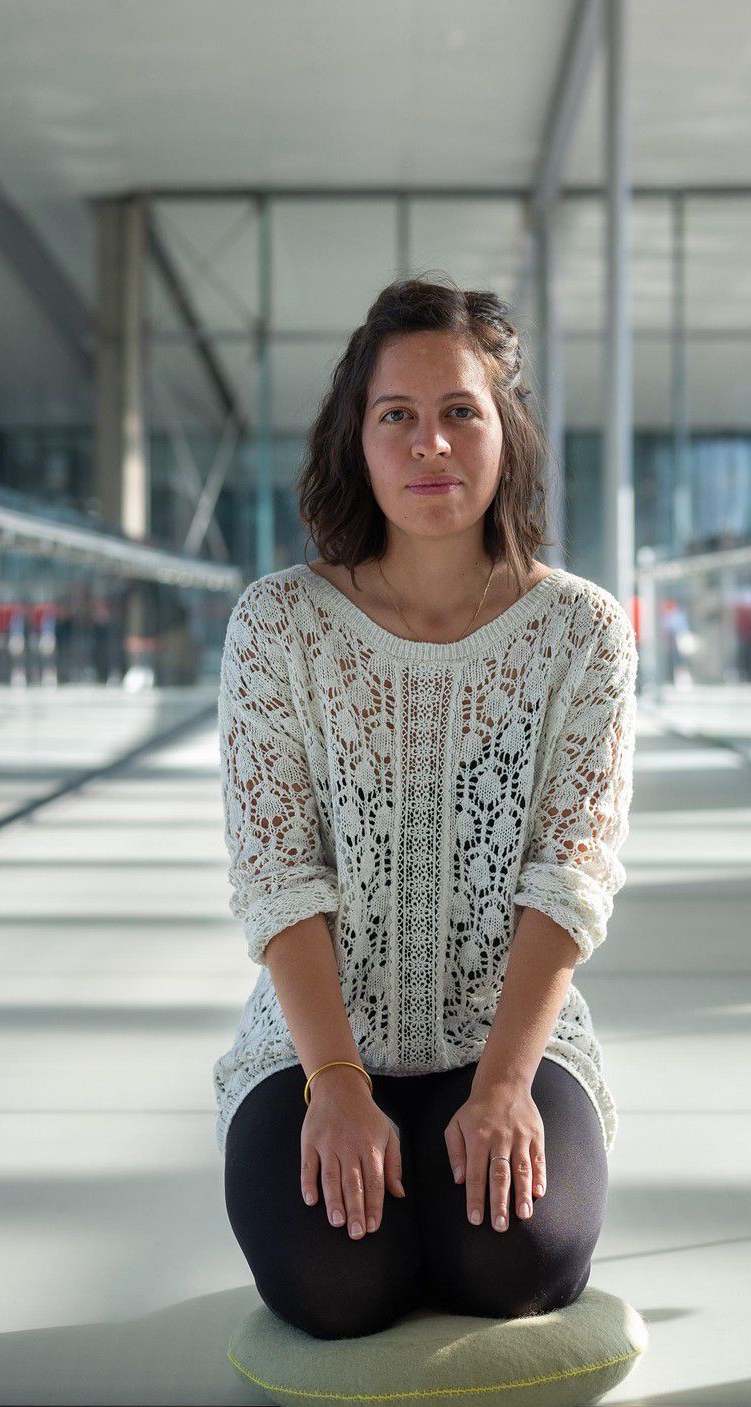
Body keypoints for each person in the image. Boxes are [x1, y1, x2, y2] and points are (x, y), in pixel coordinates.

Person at [215, 274, 638, 1341]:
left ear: (508, 435)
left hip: (508, 1043)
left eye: (461, 412)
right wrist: (335, 1085)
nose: (431, 443)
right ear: (356, 441)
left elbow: (569, 875)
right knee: (334, 1287)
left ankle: (477, 1153)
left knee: (516, 1269)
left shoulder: (583, 631)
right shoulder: (279, 626)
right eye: (395, 416)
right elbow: (278, 877)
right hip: (318, 1046)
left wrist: (502, 1090)